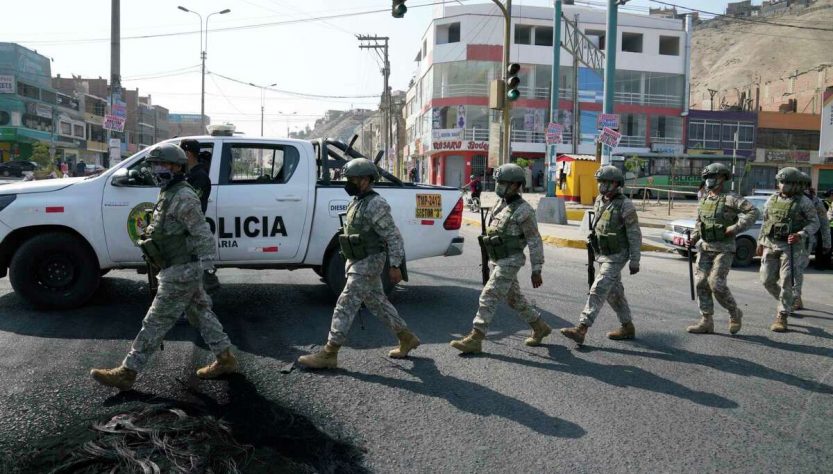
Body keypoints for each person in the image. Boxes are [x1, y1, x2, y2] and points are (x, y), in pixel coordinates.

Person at [90, 143, 237, 390]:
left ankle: (127, 372)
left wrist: (209, 268)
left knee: (155, 321)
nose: (156, 170)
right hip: (176, 267)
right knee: (201, 313)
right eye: (153, 165)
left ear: (176, 167)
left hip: (180, 271)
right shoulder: (168, 192)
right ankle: (225, 358)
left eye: (161, 165)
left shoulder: (183, 196)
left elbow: (202, 233)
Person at [297, 158, 419, 369]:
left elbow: (393, 236)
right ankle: (406, 337)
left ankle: (330, 352)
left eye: (351, 178)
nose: (348, 182)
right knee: (378, 303)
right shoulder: (357, 201)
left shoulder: (376, 203)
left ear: (364, 180)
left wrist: (395, 265)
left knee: (345, 303)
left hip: (369, 262)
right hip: (357, 260)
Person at [450, 163, 548, 354]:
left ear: (516, 185)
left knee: (489, 295)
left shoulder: (524, 211)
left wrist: (537, 269)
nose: (499, 186)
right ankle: (540, 327)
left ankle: (476, 337)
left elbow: (535, 241)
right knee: (514, 299)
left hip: (510, 261)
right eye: (498, 182)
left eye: (503, 182)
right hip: (497, 259)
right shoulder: (500, 204)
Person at [561, 166, 642, 345]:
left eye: (607, 182)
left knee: (599, 287)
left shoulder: (625, 205)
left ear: (616, 183)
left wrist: (635, 260)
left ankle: (581, 328)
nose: (602, 186)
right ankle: (627, 326)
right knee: (614, 293)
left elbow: (634, 234)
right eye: (601, 182)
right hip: (603, 254)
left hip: (617, 255)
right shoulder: (600, 200)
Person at [685, 163, 759, 335]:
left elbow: (753, 212)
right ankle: (706, 321)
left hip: (724, 249)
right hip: (705, 248)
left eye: (713, 177)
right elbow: (699, 223)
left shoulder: (730, 198)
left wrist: (735, 228)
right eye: (707, 177)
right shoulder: (704, 199)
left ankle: (734, 312)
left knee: (716, 284)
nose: (709, 181)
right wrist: (694, 238)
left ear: (722, 178)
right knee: (701, 283)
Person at [756, 167, 819, 333]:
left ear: (796, 184)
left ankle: (782, 315)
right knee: (766, 280)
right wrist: (760, 242)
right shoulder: (772, 199)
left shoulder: (804, 202)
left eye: (788, 183)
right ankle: (788, 301)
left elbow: (815, 223)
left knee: (786, 281)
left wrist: (800, 234)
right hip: (771, 244)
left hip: (791, 247)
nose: (783, 185)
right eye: (781, 182)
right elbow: (765, 221)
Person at [180, 139, 220, 293]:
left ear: (188, 154)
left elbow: (189, 205)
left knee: (191, 275)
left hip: (192, 230)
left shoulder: (199, 176)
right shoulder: (189, 174)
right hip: (188, 230)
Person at [793, 175, 830, 307]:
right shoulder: (787, 198)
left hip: (805, 240)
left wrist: (827, 243)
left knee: (797, 268)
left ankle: (795, 297)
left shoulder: (815, 201)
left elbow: (824, 223)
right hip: (787, 240)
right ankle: (793, 296)